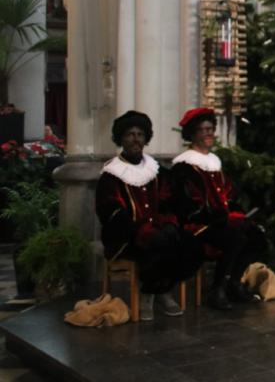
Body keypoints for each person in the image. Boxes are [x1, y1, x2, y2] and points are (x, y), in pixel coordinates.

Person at [95, 111, 203, 321]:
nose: (136, 139)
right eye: (130, 134)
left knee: (190, 243)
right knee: (156, 243)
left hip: (158, 229)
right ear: (121, 139)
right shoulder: (112, 175)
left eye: (140, 134)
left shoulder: (156, 171)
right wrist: (139, 230)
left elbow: (169, 201)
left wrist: (169, 222)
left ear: (146, 139)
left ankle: (158, 289)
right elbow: (109, 210)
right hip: (126, 236)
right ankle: (153, 293)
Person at [170, 107, 266, 310]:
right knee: (234, 236)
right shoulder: (184, 167)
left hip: (221, 222)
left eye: (210, 129)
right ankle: (217, 290)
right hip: (196, 225)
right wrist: (221, 217)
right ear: (193, 134)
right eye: (203, 130)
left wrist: (237, 213)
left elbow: (229, 196)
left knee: (257, 236)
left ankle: (234, 283)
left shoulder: (214, 164)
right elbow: (188, 205)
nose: (208, 133)